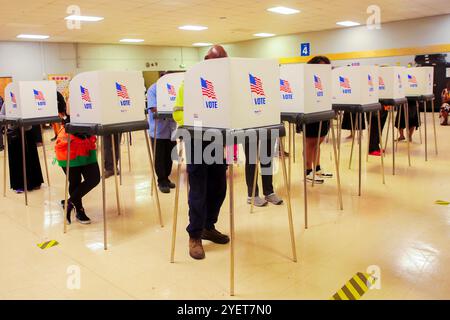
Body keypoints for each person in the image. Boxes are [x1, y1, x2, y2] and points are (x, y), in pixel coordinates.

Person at [173, 45, 230, 260]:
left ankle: (208, 226)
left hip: (217, 140)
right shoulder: (190, 81)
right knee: (198, 190)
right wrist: (198, 125)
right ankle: (194, 235)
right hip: (196, 139)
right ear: (206, 61)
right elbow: (178, 112)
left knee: (219, 187)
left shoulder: (225, 83)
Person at [55, 98, 100, 225]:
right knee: (74, 181)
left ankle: (70, 203)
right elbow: (69, 114)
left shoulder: (95, 96)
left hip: (86, 142)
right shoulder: (74, 97)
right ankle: (79, 209)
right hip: (69, 143)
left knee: (94, 178)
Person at [302, 55, 334, 184]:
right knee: (310, 143)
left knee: (318, 143)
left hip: (323, 112)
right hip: (310, 112)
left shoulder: (326, 80)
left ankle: (317, 168)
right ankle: (308, 171)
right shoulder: (307, 79)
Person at [147, 72, 177, 193]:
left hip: (171, 129)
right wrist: (170, 108)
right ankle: (161, 180)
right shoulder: (153, 89)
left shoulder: (174, 88)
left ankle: (167, 178)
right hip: (158, 129)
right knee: (159, 157)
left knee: (170, 156)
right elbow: (153, 108)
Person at [244, 135, 283, 206]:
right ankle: (252, 195)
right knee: (251, 157)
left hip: (269, 125)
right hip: (249, 126)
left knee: (267, 156)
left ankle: (269, 192)